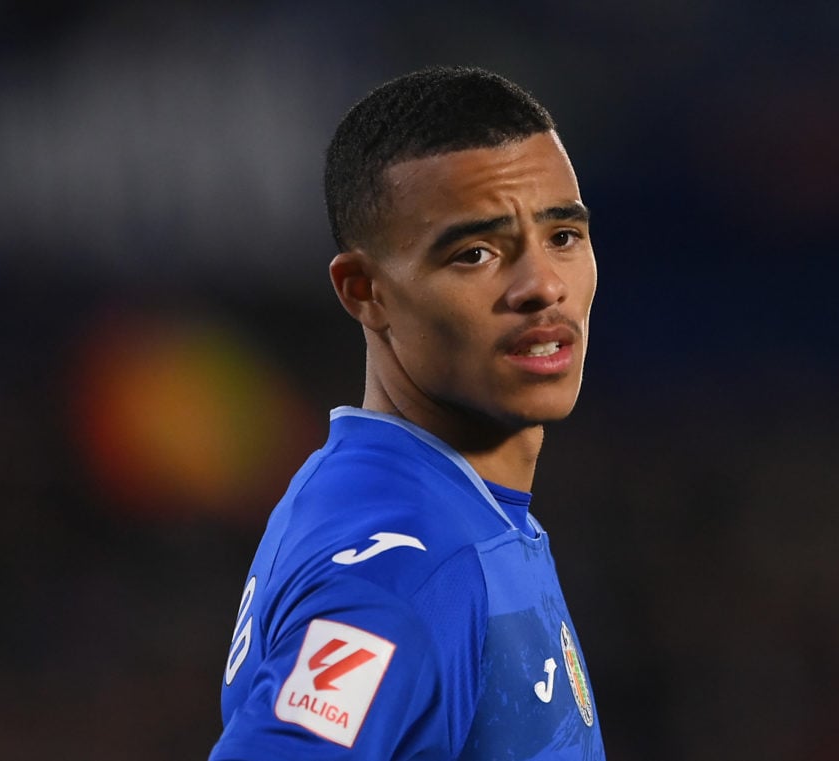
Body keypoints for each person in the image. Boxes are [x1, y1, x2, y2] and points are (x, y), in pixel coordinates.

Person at [209, 65, 604, 760]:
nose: (543, 286)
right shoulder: (413, 571)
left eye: (563, 236)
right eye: (475, 253)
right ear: (366, 291)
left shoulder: (435, 505)